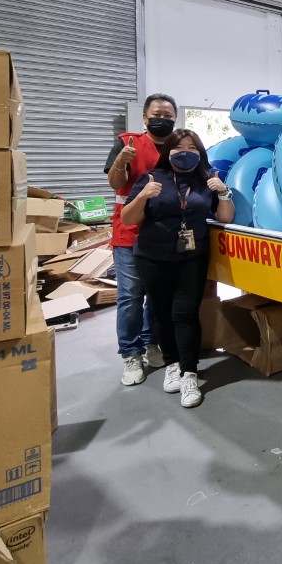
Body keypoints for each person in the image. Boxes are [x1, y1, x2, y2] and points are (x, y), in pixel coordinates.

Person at [121, 129, 234, 408]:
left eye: (192, 148)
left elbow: (225, 217)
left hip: (191, 257)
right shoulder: (151, 178)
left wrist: (224, 193)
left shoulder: (208, 179)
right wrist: (143, 196)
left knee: (185, 314)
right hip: (152, 257)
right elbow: (128, 219)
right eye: (179, 147)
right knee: (160, 313)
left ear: (201, 152)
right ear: (167, 151)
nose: (185, 152)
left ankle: (189, 373)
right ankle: (171, 364)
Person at [105, 93, 180, 387]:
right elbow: (116, 184)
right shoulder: (128, 143)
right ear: (145, 117)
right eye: (157, 114)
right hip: (130, 234)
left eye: (169, 115)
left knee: (157, 295)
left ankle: (151, 344)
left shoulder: (179, 146)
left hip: (164, 234)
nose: (163, 119)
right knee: (131, 296)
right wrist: (121, 164)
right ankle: (131, 353)